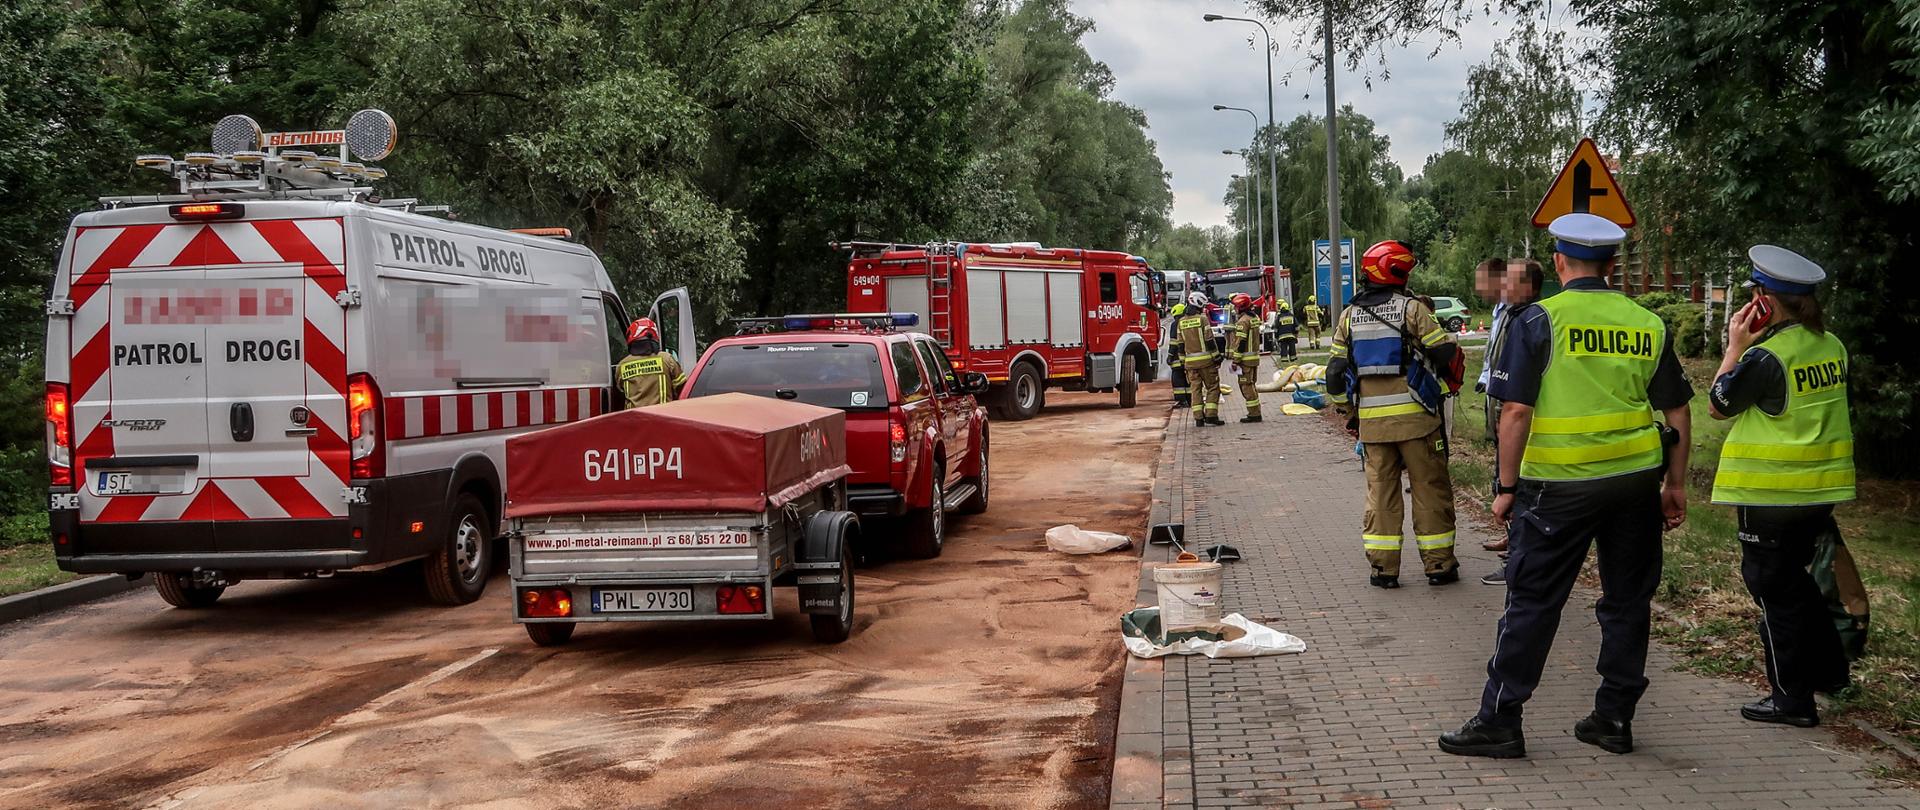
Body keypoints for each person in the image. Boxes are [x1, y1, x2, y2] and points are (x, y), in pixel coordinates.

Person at [1438, 213, 1693, 759]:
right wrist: (1675, 484)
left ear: (1558, 262)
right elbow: (1676, 408)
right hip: (1634, 485)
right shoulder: (1647, 323)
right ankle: (1614, 719)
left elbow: (1514, 412)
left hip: (1560, 487)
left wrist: (1506, 486)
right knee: (1628, 603)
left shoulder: (1538, 321)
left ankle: (1500, 721)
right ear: (1610, 265)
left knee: (1532, 602)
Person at [1708, 245, 1857, 728]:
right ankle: (1831, 673)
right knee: (1798, 583)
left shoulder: (1766, 355)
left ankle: (1792, 700)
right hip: (1819, 491)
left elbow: (1718, 404)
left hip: (1771, 495)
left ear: (1765, 303)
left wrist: (1733, 347)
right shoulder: (1831, 345)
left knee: (1774, 591)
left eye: (1755, 294)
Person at [1326, 241, 1464, 589]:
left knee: (1381, 495)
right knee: (1430, 491)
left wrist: (1350, 413)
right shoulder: (1411, 310)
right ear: (1398, 272)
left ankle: (1383, 570)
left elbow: (1333, 375)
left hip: (1373, 428)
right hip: (1419, 423)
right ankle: (1439, 566)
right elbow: (1444, 351)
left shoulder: (1348, 316)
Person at [1480, 258, 1545, 587]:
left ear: (1529, 287)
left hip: (1519, 418)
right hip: (1503, 411)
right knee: (1506, 481)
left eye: (1511, 281)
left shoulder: (1531, 320)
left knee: (1516, 489)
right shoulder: (1508, 315)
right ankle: (1514, 548)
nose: (1503, 286)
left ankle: (1517, 563)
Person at [618, 318, 687, 409]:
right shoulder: (667, 359)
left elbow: (621, 391)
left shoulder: (622, 365)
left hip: (634, 419)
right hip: (663, 417)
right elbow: (683, 389)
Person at [1177, 292, 1224, 427]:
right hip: (1206, 363)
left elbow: (1180, 345)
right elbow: (1209, 340)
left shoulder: (1181, 322)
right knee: (1213, 388)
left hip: (1190, 364)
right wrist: (1217, 357)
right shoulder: (1202, 319)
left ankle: (1198, 418)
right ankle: (1211, 415)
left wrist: (1183, 362)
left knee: (1195, 390)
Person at [1227, 292, 1264, 423]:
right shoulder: (1254, 318)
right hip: (1254, 358)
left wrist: (1235, 361)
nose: (1235, 309)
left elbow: (1240, 343)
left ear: (1241, 307)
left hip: (1245, 361)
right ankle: (1256, 411)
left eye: (1236, 307)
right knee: (1251, 385)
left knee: (1246, 386)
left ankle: (1254, 414)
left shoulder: (1243, 322)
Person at [1166, 302, 1191, 409]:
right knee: (1187, 379)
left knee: (1177, 378)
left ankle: (1181, 400)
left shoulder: (1175, 324)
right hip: (1189, 355)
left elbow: (1173, 342)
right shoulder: (1187, 321)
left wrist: (1170, 355)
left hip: (1177, 357)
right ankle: (1190, 400)